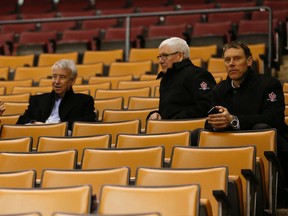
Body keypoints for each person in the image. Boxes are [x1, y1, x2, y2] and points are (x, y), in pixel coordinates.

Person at [205, 40, 288, 207]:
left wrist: (233, 121)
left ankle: (274, 196)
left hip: (269, 142)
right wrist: (217, 123)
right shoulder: (219, 90)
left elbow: (273, 119)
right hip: (231, 143)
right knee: (199, 135)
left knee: (262, 129)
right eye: (227, 60)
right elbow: (210, 122)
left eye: (237, 59)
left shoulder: (269, 84)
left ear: (249, 61)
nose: (232, 64)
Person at [17, 59, 97, 131]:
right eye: (54, 77)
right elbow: (21, 121)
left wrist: (56, 127)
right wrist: (34, 123)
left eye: (62, 77)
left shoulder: (84, 101)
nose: (57, 81)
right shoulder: (37, 100)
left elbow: (89, 123)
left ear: (72, 81)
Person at [148, 37, 216, 120]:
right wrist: (158, 114)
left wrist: (174, 120)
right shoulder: (166, 78)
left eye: (165, 56)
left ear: (180, 55)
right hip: (169, 128)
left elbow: (207, 106)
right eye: (160, 56)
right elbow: (170, 110)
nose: (161, 61)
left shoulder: (197, 74)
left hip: (190, 130)